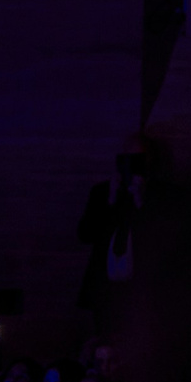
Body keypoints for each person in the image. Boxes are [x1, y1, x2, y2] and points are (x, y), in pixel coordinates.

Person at [76, 139, 146, 334]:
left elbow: (160, 237)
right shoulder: (103, 192)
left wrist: (141, 201)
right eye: (126, 159)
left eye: (138, 160)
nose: (131, 165)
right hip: (106, 286)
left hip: (142, 287)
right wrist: (110, 200)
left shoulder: (159, 194)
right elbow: (85, 234)